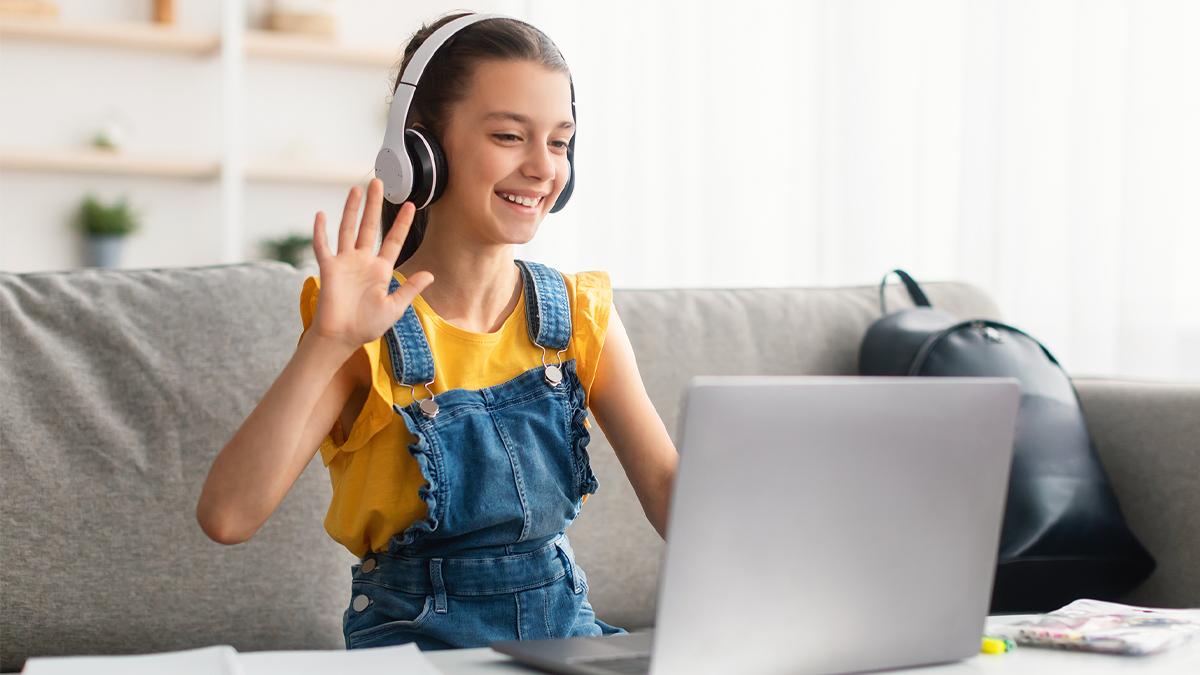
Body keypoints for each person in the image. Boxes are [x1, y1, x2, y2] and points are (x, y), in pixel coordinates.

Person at [196, 13, 678, 650]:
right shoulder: (360, 326)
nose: (542, 167)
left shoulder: (579, 314)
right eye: (510, 135)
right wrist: (329, 342)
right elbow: (228, 517)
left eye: (559, 142)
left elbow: (674, 496)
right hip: (415, 650)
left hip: (564, 642)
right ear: (418, 152)